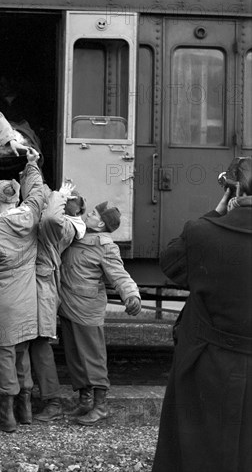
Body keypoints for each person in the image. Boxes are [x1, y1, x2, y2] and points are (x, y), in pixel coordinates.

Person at [152, 156, 252, 472]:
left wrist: (217, 212)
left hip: (210, 363)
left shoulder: (201, 233)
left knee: (202, 449)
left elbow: (171, 264)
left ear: (232, 192)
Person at [0, 148, 45, 433]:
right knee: (22, 352)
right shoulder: (31, 219)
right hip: (28, 302)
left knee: (4, 356)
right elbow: (37, 195)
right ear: (16, 199)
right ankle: (25, 409)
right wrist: (32, 166)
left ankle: (7, 414)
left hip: (3, 303)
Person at [59, 200, 141, 426]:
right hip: (68, 306)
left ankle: (100, 406)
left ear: (101, 222)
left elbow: (119, 274)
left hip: (86, 310)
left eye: (93, 213)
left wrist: (131, 295)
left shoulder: (105, 246)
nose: (89, 214)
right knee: (75, 357)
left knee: (92, 357)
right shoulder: (78, 233)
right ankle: (85, 401)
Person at [31, 182, 87, 422]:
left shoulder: (64, 226)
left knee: (40, 343)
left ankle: (52, 401)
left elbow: (52, 217)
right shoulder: (67, 222)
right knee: (29, 343)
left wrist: (59, 194)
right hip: (36, 284)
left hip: (43, 287)